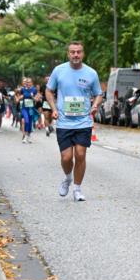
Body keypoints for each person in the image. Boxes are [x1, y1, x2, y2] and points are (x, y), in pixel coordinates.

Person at [45, 42, 103, 202]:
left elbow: (99, 93)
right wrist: (54, 108)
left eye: (78, 52)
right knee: (66, 157)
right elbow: (49, 90)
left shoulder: (91, 73)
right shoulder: (59, 71)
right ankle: (68, 178)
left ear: (83, 54)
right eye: (72, 52)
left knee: (80, 154)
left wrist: (95, 105)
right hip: (64, 121)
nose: (76, 55)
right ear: (68, 54)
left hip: (83, 121)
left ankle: (77, 189)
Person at [17, 77, 41, 143]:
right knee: (26, 121)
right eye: (27, 82)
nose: (28, 83)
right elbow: (19, 96)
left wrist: (32, 97)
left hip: (31, 108)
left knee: (30, 123)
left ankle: (28, 136)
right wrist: (19, 98)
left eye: (29, 82)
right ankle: (24, 136)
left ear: (31, 83)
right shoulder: (23, 89)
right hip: (24, 108)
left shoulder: (34, 90)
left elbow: (37, 100)